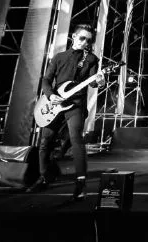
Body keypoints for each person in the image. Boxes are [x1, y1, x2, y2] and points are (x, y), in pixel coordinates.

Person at [27, 24, 105, 199]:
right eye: (82, 38)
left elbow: (93, 82)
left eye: (89, 40)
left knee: (77, 140)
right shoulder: (59, 57)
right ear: (74, 37)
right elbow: (46, 80)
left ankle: (80, 183)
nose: (85, 42)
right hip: (54, 104)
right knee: (45, 141)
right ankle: (44, 177)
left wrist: (100, 81)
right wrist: (50, 95)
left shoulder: (91, 59)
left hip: (76, 104)